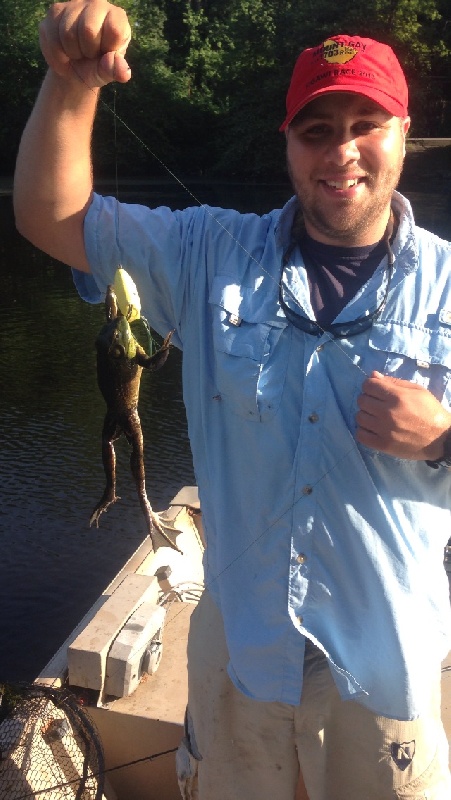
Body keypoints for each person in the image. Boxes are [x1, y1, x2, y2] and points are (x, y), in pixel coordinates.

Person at [13, 3, 451, 798]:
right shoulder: (208, 250)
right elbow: (50, 215)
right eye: (315, 130)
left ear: (402, 132)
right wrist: (71, 83)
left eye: (365, 123)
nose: (342, 150)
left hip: (385, 667)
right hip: (242, 654)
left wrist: (446, 439)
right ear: (286, 141)